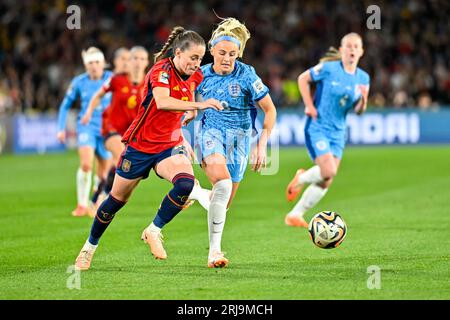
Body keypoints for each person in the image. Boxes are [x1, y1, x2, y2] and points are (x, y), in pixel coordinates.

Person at [74, 27, 223, 271]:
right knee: (116, 200)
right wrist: (201, 104)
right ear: (178, 53)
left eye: (200, 58)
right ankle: (88, 248)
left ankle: (153, 230)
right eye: (193, 57)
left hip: (168, 146)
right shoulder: (160, 71)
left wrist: (189, 116)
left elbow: (186, 106)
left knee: (185, 184)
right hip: (140, 146)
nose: (197, 63)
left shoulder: (195, 77)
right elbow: (163, 102)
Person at [187, 17, 277, 268]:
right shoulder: (199, 75)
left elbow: (270, 110)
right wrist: (189, 114)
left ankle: (193, 191)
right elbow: (183, 102)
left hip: (240, 140)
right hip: (210, 135)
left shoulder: (247, 75)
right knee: (223, 184)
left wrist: (261, 143)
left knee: (222, 205)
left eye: (233, 54)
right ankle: (214, 252)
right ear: (212, 50)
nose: (227, 58)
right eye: (222, 52)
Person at [284, 33, 370, 227]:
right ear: (341, 50)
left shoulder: (363, 78)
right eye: (348, 46)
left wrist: (364, 101)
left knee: (326, 179)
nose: (352, 50)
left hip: (339, 132)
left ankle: (295, 214)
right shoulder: (329, 69)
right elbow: (302, 78)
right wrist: (309, 105)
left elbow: (358, 111)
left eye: (356, 47)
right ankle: (301, 178)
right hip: (318, 126)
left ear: (361, 51)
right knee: (328, 170)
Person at [81, 46, 149, 211]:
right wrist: (89, 112)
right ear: (129, 61)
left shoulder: (149, 83)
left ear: (147, 62)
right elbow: (98, 95)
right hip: (112, 129)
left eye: (142, 59)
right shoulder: (117, 79)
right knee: (120, 156)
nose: (138, 63)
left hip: (132, 133)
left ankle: (98, 194)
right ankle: (104, 195)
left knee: (119, 165)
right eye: (135, 59)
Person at [57, 47, 113, 217]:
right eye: (90, 63)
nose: (94, 66)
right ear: (85, 65)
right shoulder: (79, 82)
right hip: (86, 126)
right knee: (86, 164)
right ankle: (81, 204)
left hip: (107, 130)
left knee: (104, 174)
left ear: (103, 64)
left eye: (97, 62)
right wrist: (61, 129)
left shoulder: (112, 79)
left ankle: (94, 203)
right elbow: (65, 105)